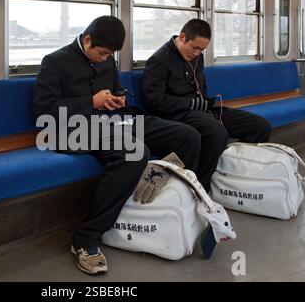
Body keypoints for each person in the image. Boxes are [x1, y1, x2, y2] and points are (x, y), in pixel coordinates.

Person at [33, 16, 201, 275]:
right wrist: (91, 102)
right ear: (87, 40)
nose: (104, 59)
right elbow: (43, 112)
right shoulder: (54, 62)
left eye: (109, 55)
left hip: (114, 122)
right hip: (70, 129)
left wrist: (119, 97)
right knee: (135, 153)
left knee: (187, 136)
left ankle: (163, 204)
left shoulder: (107, 59)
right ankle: (85, 238)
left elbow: (116, 89)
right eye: (101, 53)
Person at [143, 19, 272, 192]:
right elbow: (155, 102)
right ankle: (199, 188)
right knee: (217, 133)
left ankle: (232, 175)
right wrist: (189, 103)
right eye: (195, 48)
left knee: (260, 126)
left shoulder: (197, 57)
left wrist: (205, 101)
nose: (197, 53)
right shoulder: (159, 60)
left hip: (204, 110)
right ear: (182, 37)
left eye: (202, 50)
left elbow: (200, 86)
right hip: (178, 113)